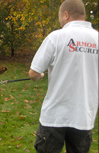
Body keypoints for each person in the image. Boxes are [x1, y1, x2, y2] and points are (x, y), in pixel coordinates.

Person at [28, 0, 98, 152]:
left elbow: (33, 73)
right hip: (84, 116)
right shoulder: (97, 39)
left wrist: (40, 75)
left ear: (65, 15)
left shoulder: (56, 37)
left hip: (55, 116)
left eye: (60, 16)